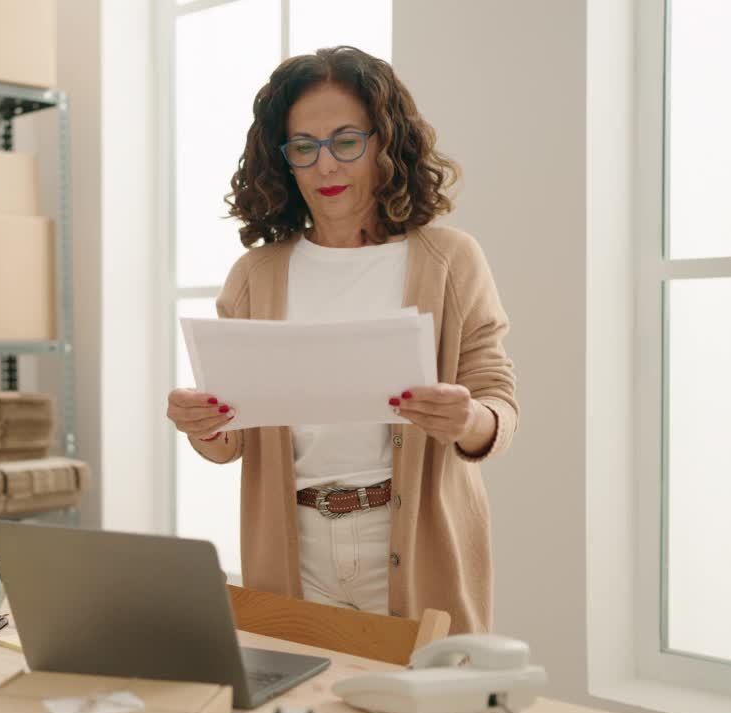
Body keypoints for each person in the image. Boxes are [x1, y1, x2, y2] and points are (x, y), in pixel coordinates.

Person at [166, 46, 517, 634]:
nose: (325, 166)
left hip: (413, 537)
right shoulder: (255, 275)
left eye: (346, 141)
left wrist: (468, 419)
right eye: (304, 147)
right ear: (283, 161)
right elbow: (232, 442)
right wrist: (203, 426)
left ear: (385, 143)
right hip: (292, 544)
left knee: (427, 698)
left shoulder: (450, 259)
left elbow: (498, 404)